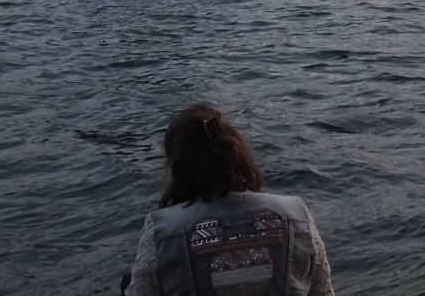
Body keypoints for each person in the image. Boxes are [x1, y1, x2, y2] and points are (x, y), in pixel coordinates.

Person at [123, 102, 333, 296]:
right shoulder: (296, 214)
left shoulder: (162, 231)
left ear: (175, 165)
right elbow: (322, 291)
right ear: (239, 155)